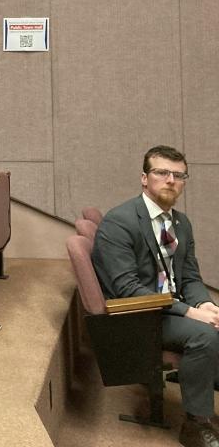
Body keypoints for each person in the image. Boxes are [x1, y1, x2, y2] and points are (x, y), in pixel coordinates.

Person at [92, 146, 219, 447]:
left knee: (213, 319)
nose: (170, 180)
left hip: (167, 309)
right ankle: (196, 424)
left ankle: (199, 379)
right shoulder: (120, 222)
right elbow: (127, 288)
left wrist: (205, 304)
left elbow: (189, 276)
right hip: (137, 316)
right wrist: (189, 312)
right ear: (144, 179)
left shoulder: (180, 223)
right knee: (204, 335)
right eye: (162, 172)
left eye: (178, 175)